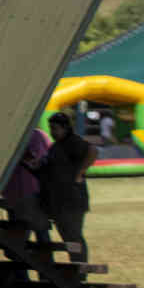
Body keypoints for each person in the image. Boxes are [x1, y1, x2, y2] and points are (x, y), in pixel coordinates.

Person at [40, 110, 96, 265]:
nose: (52, 131)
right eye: (50, 128)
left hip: (73, 200)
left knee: (74, 235)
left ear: (65, 128)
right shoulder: (55, 147)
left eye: (55, 128)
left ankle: (80, 268)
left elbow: (92, 150)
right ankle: (76, 266)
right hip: (59, 201)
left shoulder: (72, 142)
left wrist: (80, 173)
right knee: (68, 236)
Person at [0, 125, 50, 254]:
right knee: (21, 239)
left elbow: (36, 160)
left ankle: (40, 270)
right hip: (17, 192)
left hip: (30, 192)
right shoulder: (37, 135)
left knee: (37, 235)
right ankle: (24, 272)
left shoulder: (36, 135)